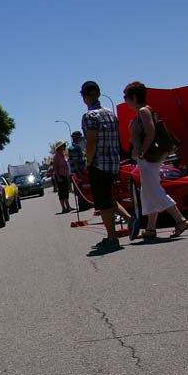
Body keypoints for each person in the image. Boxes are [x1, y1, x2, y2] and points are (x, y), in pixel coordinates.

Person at [123, 81, 188, 239]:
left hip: (149, 157)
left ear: (134, 97)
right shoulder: (142, 112)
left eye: (126, 97)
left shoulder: (143, 111)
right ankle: (151, 228)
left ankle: (180, 220)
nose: (125, 100)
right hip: (147, 157)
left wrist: (142, 151)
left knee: (153, 189)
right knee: (147, 192)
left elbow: (151, 131)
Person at [80, 80, 136, 250]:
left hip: (99, 163)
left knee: (103, 203)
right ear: (98, 93)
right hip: (113, 162)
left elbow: (91, 142)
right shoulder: (110, 113)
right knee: (106, 197)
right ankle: (130, 220)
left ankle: (112, 237)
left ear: (83, 96)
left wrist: (89, 161)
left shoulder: (90, 116)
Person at [52, 140, 73, 213]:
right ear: (60, 147)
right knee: (61, 192)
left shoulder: (63, 154)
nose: (64, 147)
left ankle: (68, 206)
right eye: (63, 145)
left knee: (66, 191)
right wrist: (58, 177)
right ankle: (63, 208)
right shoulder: (56, 156)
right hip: (59, 176)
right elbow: (55, 168)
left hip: (65, 175)